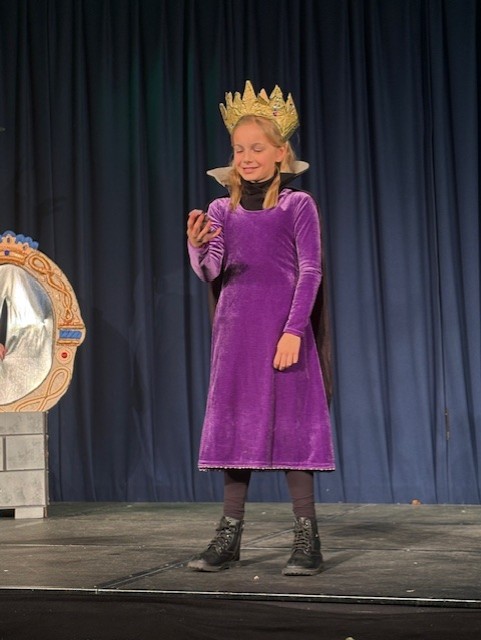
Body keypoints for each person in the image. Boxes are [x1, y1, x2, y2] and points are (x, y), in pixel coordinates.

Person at [186, 81, 335, 576]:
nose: (246, 157)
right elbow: (212, 270)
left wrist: (294, 330)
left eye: (256, 148)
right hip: (236, 338)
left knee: (294, 429)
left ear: (279, 153)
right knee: (235, 430)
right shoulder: (221, 210)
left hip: (283, 335)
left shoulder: (297, 205)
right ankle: (228, 537)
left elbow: (310, 270)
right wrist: (197, 246)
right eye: (239, 149)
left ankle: (307, 539)